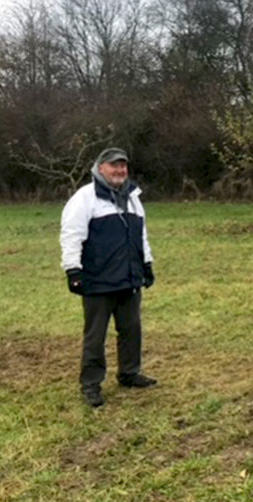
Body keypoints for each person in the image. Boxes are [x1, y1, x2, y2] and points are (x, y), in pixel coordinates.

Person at [60, 147, 157, 407]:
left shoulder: (134, 198)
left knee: (131, 329)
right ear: (100, 168)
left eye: (123, 166)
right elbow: (71, 235)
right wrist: (73, 270)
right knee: (95, 335)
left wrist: (146, 264)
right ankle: (91, 383)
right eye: (114, 165)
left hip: (129, 279)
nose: (120, 170)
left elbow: (140, 236)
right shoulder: (85, 198)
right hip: (98, 281)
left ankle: (129, 373)